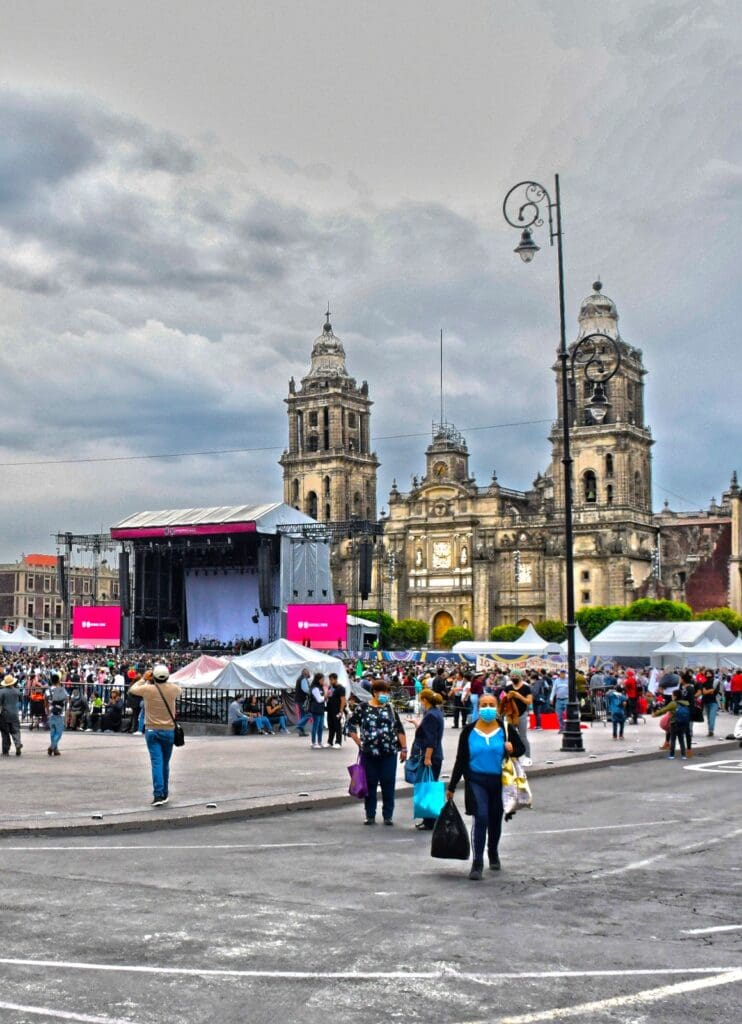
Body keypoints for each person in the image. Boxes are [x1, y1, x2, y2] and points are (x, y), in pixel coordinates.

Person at [446, 694, 525, 880]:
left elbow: (521, 749)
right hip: (476, 780)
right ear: (478, 708)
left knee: (495, 819)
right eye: (483, 705)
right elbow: (461, 759)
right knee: (480, 817)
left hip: (500, 781)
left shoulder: (505, 729)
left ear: (497, 707)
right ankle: (477, 862)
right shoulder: (468, 731)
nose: (487, 708)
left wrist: (512, 748)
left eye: (491, 705)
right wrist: (452, 785)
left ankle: (493, 852)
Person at [347, 679, 408, 825]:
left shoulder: (390, 708)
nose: (386, 695)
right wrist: (358, 742)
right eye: (383, 692)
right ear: (374, 692)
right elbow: (350, 725)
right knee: (371, 784)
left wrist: (404, 748)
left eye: (387, 692)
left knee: (388, 784)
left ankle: (388, 815)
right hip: (369, 754)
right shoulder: (362, 708)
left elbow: (399, 729)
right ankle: (370, 815)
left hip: (389, 754)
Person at [129, 663, 182, 806]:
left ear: (154, 676)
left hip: (152, 730)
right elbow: (178, 689)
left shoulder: (147, 689)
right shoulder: (173, 689)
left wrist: (144, 679)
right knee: (165, 763)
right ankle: (164, 793)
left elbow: (133, 689)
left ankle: (158, 794)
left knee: (156, 763)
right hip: (169, 730)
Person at [411, 688, 445, 830]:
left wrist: (427, 757)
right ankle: (429, 819)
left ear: (424, 700)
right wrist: (417, 724)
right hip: (436, 755)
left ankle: (430, 821)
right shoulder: (436, 713)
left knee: (427, 787)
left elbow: (431, 739)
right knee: (429, 786)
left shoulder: (430, 715)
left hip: (431, 755)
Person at [505, 673, 533, 765]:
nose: (514, 677)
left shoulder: (526, 688)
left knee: (523, 737)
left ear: (520, 677)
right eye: (512, 676)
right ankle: (513, 756)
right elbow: (502, 699)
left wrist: (519, 696)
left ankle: (527, 757)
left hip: (522, 714)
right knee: (510, 737)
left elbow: (529, 701)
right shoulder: (508, 687)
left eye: (516, 676)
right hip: (510, 715)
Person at [0, 674, 23, 756]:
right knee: (16, 730)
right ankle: (17, 744)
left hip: (4, 714)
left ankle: (6, 750)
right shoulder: (17, 691)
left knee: (5, 732)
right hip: (15, 713)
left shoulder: (1, 692)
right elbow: (21, 698)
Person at [46, 675, 68, 757]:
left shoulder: (48, 690)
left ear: (51, 681)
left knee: (53, 732)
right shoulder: (62, 690)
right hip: (59, 712)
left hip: (51, 712)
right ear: (58, 680)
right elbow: (67, 698)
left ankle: (55, 750)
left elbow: (45, 701)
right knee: (59, 733)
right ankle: (52, 747)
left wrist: (47, 710)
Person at [325, 672, 346, 748]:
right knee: (330, 726)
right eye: (329, 680)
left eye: (331, 680)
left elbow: (343, 700)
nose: (330, 681)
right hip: (330, 709)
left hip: (337, 710)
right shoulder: (331, 687)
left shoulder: (341, 688)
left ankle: (338, 742)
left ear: (335, 679)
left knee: (337, 726)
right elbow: (329, 697)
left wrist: (341, 710)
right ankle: (329, 741)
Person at [308, 673, 327, 748]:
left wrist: (325, 696)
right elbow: (319, 699)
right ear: (318, 680)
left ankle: (319, 741)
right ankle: (313, 742)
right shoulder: (315, 688)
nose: (323, 681)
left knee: (320, 727)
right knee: (315, 726)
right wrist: (325, 696)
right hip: (316, 708)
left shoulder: (320, 687)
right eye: (322, 680)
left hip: (321, 708)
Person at [700, 670, 720, 737]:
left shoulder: (716, 682)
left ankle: (711, 730)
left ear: (712, 674)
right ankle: (710, 731)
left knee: (712, 717)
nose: (708, 674)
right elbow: (704, 692)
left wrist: (708, 691)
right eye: (706, 673)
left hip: (713, 702)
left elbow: (715, 692)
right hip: (706, 702)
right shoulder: (704, 683)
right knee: (708, 718)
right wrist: (711, 690)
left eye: (709, 673)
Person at [294, 668, 313, 736]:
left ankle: (301, 732)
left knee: (303, 715)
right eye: (308, 673)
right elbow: (306, 690)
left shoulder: (299, 679)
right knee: (309, 714)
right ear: (306, 673)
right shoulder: (303, 679)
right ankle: (299, 725)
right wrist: (312, 691)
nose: (309, 674)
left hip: (298, 700)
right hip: (302, 700)